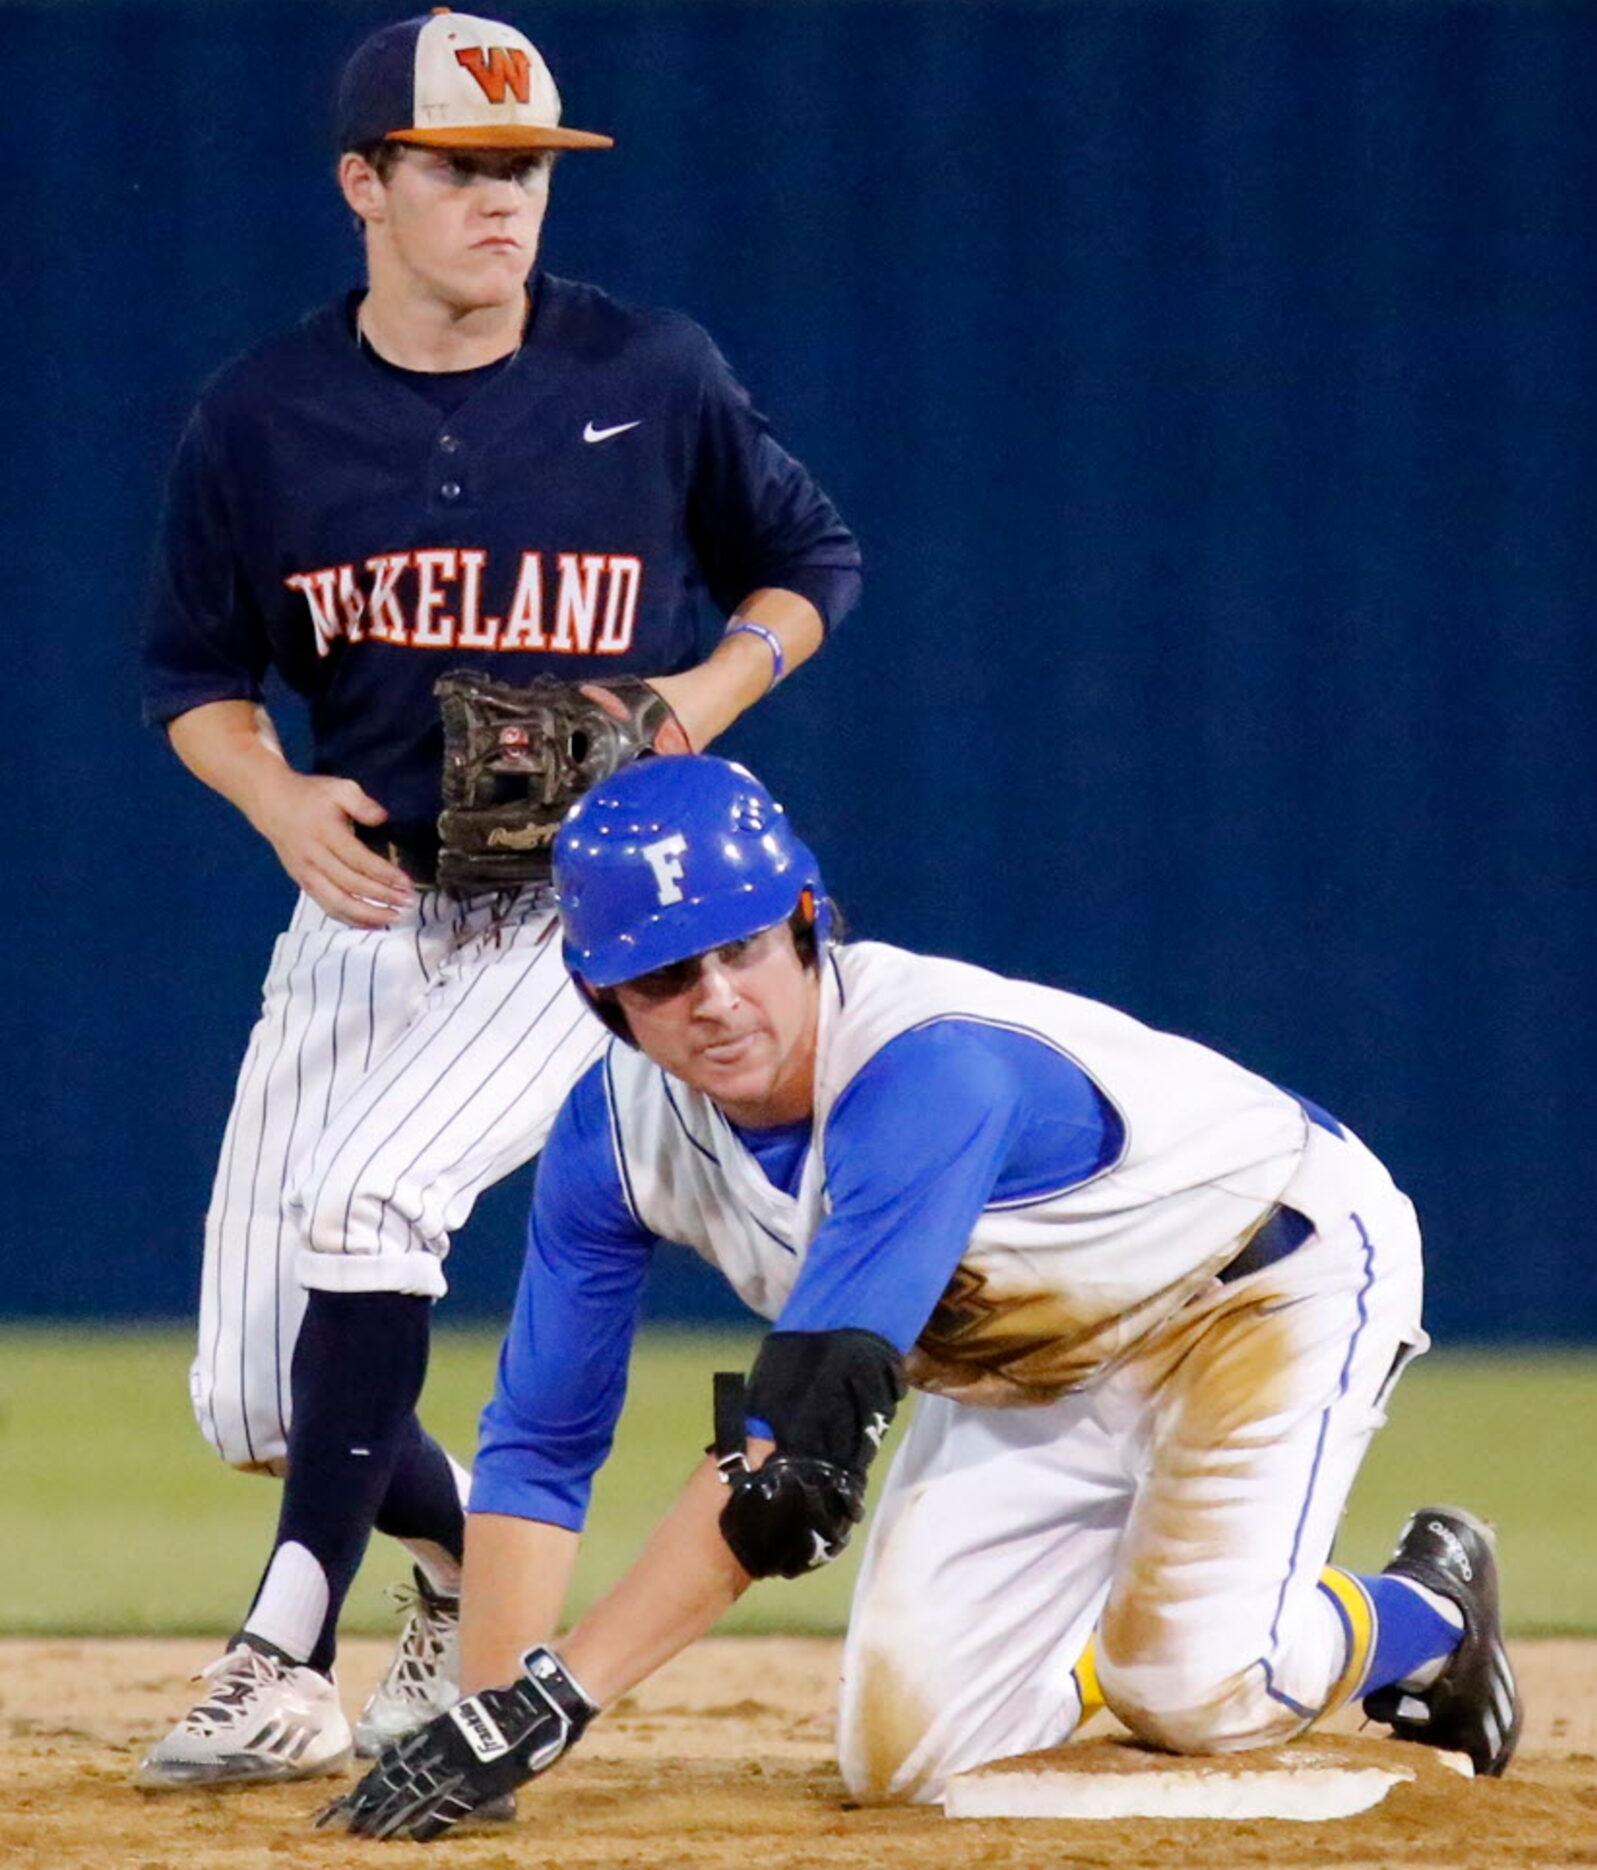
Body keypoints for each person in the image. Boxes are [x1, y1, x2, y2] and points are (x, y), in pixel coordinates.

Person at [317, 755, 1522, 1841]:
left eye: (741, 947)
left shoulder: (919, 1070)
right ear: (601, 998)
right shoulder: (613, 1136)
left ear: (803, 926)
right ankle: (1109, 1638)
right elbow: (541, 1440)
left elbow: (786, 1459)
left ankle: (1426, 1611)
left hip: (1261, 1283)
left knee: (1198, 1688)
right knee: (910, 1761)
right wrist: (487, 1721)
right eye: (665, 975)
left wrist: (558, 1696)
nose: (718, 997)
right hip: (1025, 1355)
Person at [136, 10, 860, 1790]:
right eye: (462, 168)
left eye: (526, 170)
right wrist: (274, 791)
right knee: (253, 1393)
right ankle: (459, 1570)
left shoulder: (651, 370)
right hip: (367, 916)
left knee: (376, 1202)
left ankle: (279, 1649)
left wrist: (692, 700)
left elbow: (810, 558)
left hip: (575, 923)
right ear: (364, 183)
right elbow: (191, 677)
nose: (503, 202)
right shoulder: (262, 414)